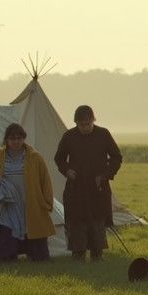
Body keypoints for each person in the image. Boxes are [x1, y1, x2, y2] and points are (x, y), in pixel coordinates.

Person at [0, 123, 55, 262]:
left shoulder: (35, 157)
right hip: (7, 205)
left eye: (19, 138)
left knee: (34, 234)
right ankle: (7, 257)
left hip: (29, 203)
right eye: (12, 138)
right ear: (7, 140)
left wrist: (47, 202)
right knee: (6, 232)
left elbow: (45, 181)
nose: (16, 142)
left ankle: (36, 256)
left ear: (24, 139)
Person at [54, 105, 123, 261]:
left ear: (93, 120)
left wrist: (105, 175)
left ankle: (97, 254)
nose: (85, 127)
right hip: (76, 187)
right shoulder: (69, 136)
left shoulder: (103, 134)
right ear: (76, 123)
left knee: (97, 221)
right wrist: (67, 171)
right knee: (77, 222)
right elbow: (59, 158)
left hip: (98, 187)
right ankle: (78, 254)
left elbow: (116, 157)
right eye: (81, 124)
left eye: (88, 123)